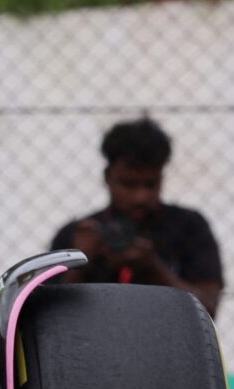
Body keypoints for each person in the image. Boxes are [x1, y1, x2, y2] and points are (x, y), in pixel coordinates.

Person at [48, 116, 225, 318]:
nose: (140, 197)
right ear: (108, 177)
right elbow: (52, 319)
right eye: (128, 184)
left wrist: (154, 269)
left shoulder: (189, 228)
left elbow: (208, 310)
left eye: (150, 184)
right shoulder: (76, 235)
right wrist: (81, 262)